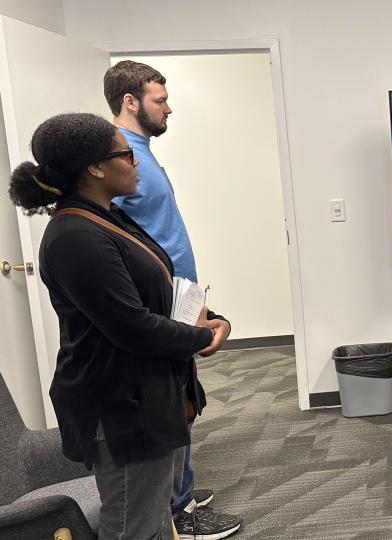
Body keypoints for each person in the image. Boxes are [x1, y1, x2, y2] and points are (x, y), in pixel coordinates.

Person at [7, 112, 231, 539]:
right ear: (95, 167)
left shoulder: (106, 217)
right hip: (120, 407)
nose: (136, 163)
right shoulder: (76, 235)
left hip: (144, 395)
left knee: (154, 520)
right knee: (134, 527)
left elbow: (155, 289)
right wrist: (204, 337)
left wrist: (212, 317)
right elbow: (133, 327)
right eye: (126, 155)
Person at [102, 59, 242, 539]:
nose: (168, 108)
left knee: (184, 402)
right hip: (157, 306)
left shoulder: (139, 151)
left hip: (177, 299)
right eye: (160, 100)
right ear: (130, 101)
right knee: (168, 408)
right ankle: (177, 513)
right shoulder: (116, 158)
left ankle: (179, 496)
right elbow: (115, 239)